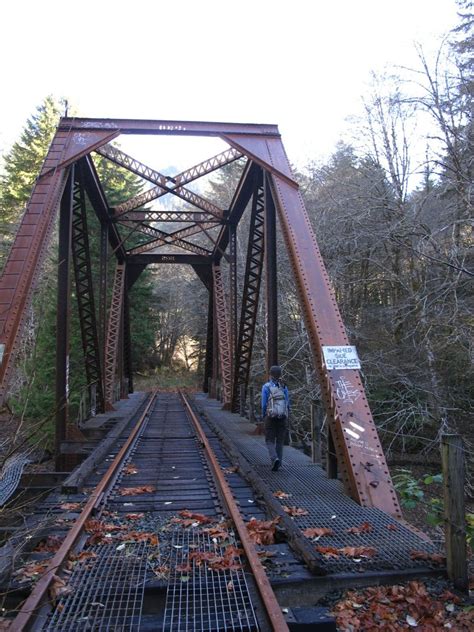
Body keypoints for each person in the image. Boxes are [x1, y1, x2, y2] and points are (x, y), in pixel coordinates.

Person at [261, 366, 290, 471]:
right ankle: (279, 462)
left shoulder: (266, 387)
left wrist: (263, 414)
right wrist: (287, 414)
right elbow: (287, 402)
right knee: (280, 440)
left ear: (270, 374)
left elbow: (264, 404)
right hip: (282, 416)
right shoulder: (284, 387)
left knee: (269, 440)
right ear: (280, 375)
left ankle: (274, 459)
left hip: (271, 416)